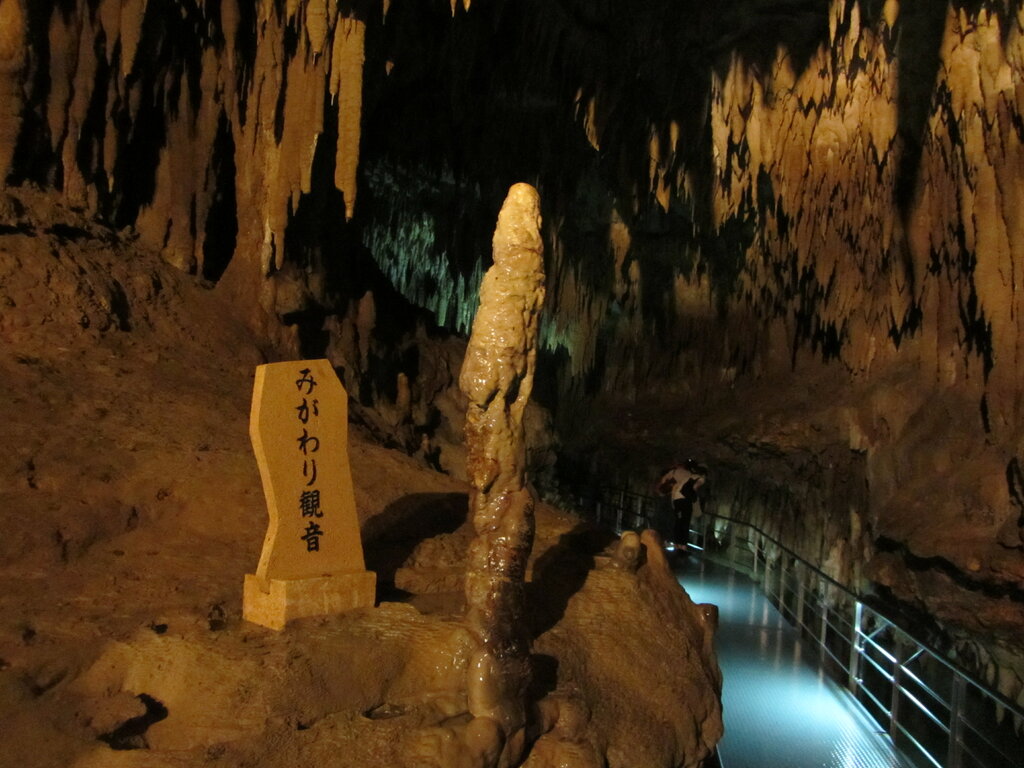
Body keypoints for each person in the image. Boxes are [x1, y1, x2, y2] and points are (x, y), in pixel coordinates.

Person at [657, 459, 706, 553]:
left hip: (675, 500)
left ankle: (676, 544)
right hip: (684, 501)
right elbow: (694, 488)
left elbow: (668, 483)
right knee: (685, 522)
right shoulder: (699, 478)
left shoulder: (685, 475)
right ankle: (682, 546)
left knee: (678, 522)